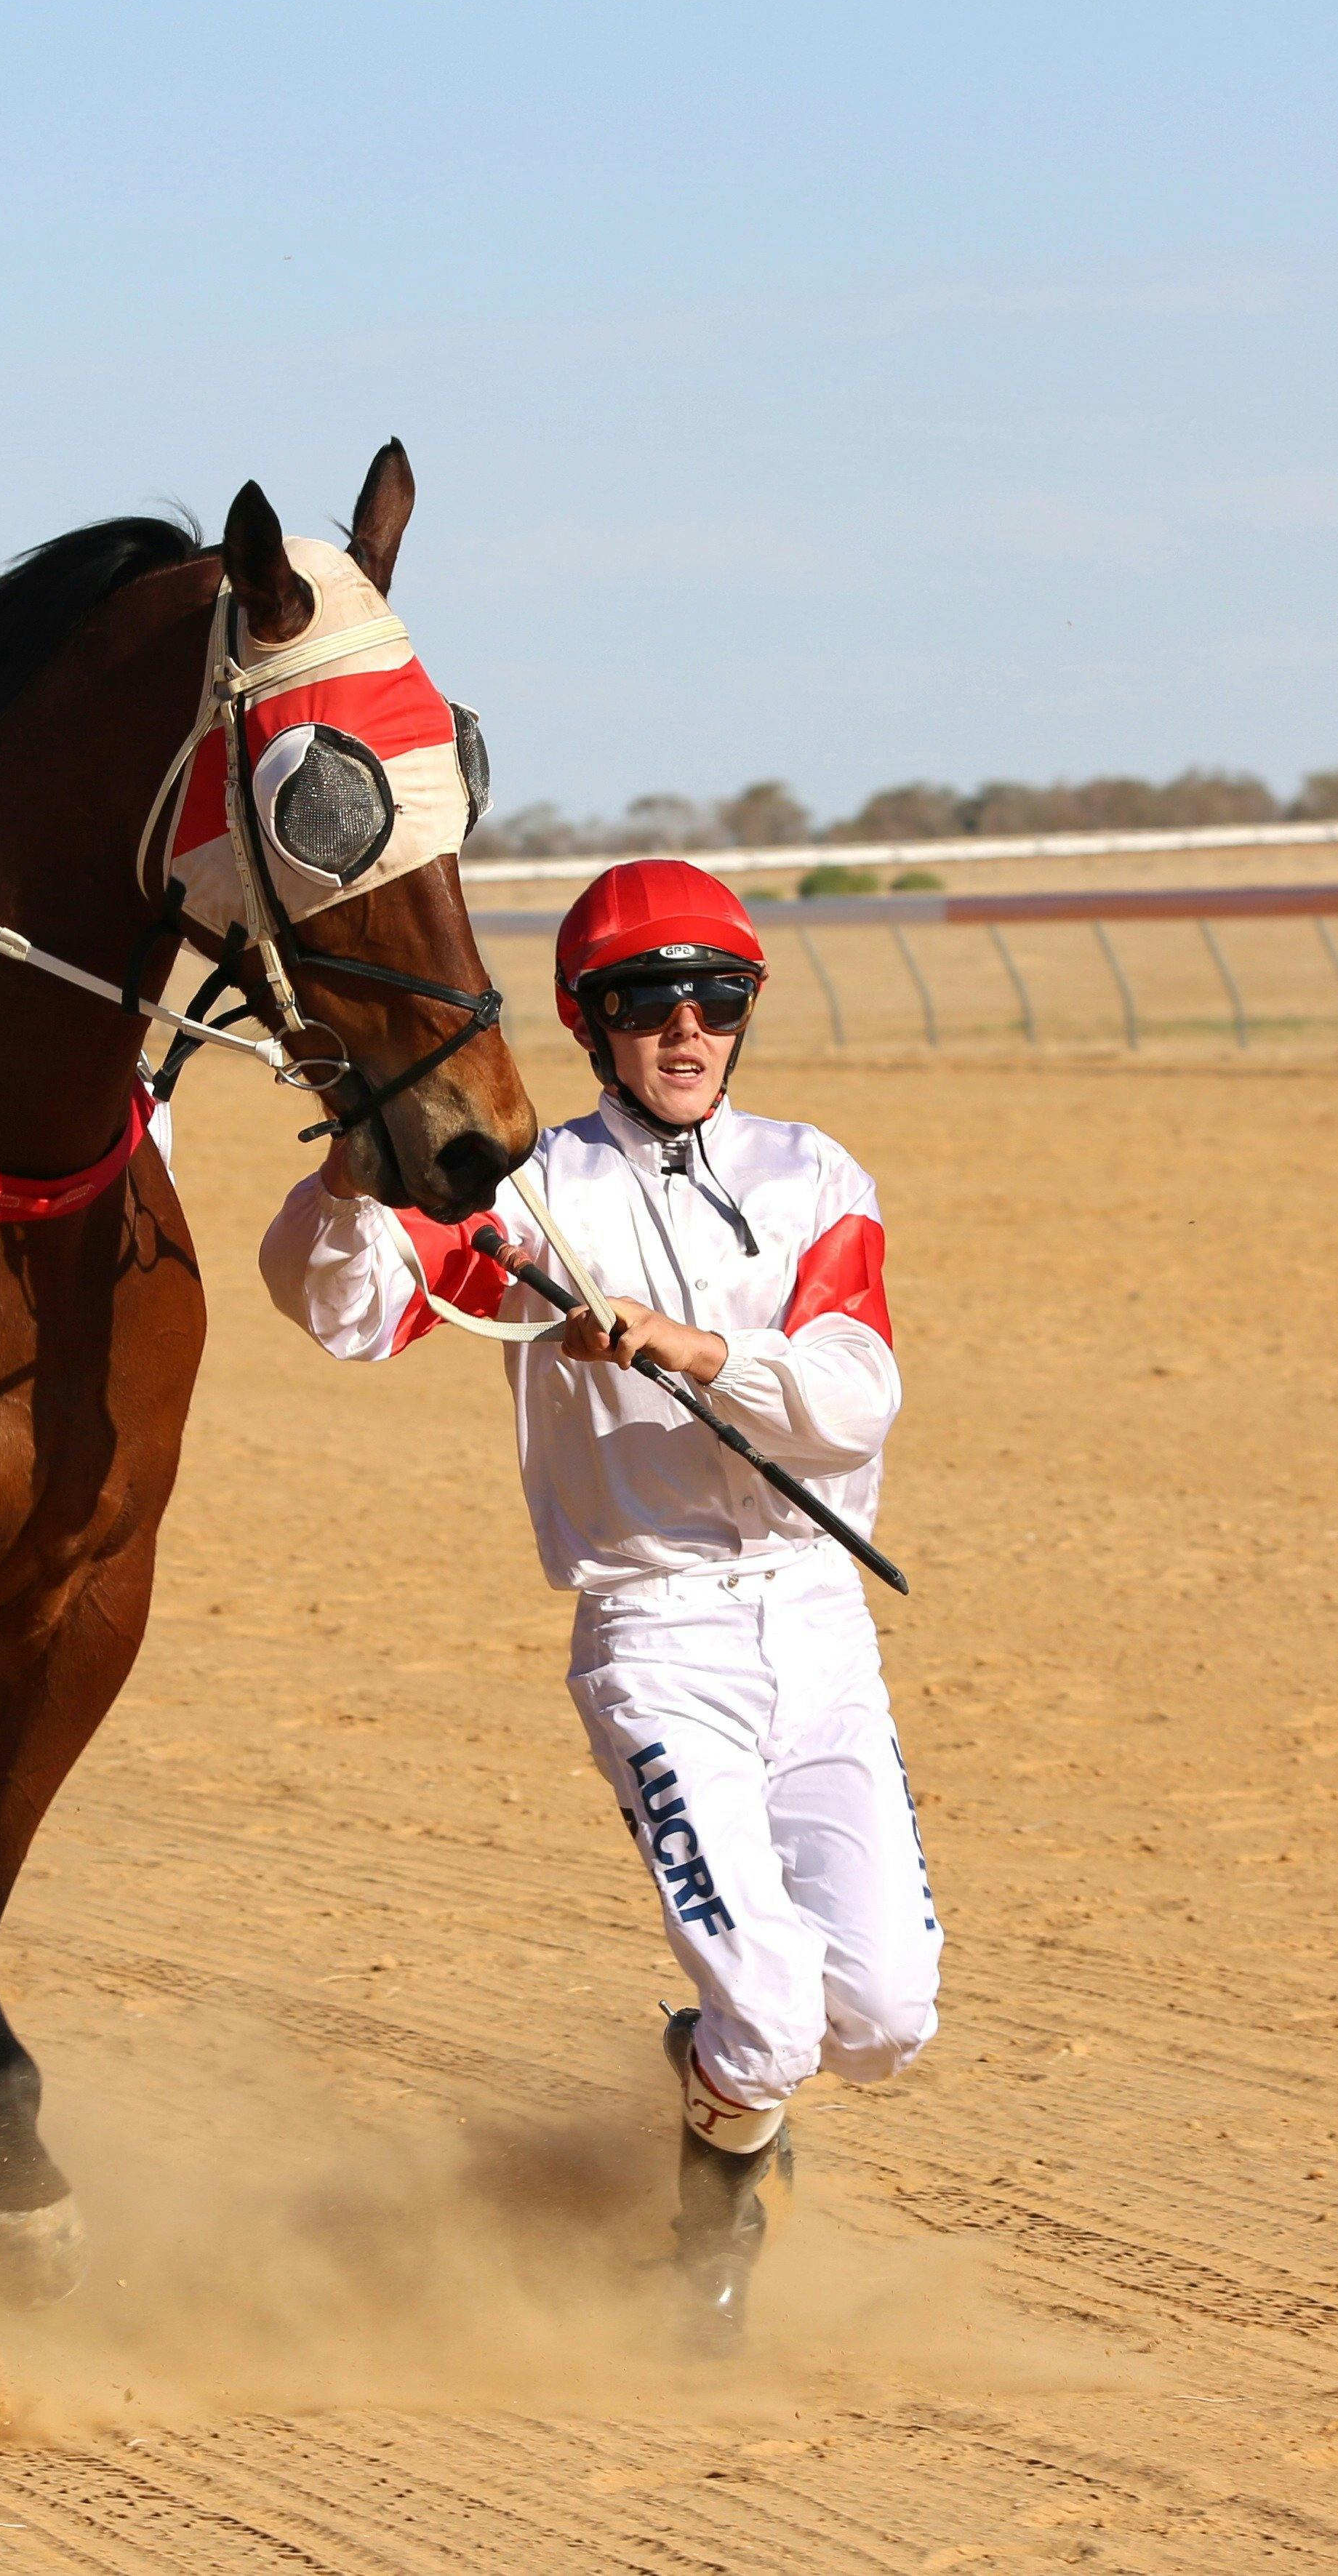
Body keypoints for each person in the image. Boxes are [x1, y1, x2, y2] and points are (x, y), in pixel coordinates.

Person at [258, 856, 938, 2347]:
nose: (687, 1027)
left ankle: (716, 2077)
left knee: (882, 2023)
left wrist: (691, 1349)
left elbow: (856, 1401)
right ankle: (708, 2233)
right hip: (656, 1635)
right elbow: (348, 1308)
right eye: (648, 1002)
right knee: (772, 2014)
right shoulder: (527, 1194)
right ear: (590, 1020)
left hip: (820, 1623)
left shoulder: (815, 1175)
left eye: (718, 997)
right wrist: (346, 1181)